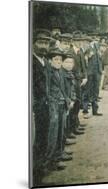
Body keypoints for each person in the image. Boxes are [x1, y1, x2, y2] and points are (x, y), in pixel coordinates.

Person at [45, 48, 72, 172]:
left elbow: (63, 88)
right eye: (55, 59)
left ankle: (59, 154)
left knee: (61, 130)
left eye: (60, 60)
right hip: (53, 105)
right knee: (53, 134)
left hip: (62, 104)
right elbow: (47, 91)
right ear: (50, 60)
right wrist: (53, 101)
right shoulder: (48, 72)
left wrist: (67, 100)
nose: (58, 62)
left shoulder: (60, 72)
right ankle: (51, 161)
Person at [32, 29, 52, 184]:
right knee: (35, 140)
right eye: (40, 43)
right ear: (33, 44)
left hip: (45, 105)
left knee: (43, 137)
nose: (44, 46)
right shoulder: (31, 62)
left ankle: (41, 168)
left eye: (46, 43)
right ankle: (35, 176)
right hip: (35, 107)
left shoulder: (45, 62)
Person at [68, 31, 87, 134]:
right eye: (77, 41)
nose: (80, 42)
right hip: (73, 80)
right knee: (74, 103)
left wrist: (85, 77)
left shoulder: (80, 51)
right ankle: (72, 128)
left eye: (81, 40)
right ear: (73, 41)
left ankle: (76, 123)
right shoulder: (70, 52)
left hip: (80, 80)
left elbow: (84, 65)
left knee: (78, 102)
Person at [84, 41, 103, 117]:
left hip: (97, 73)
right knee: (87, 91)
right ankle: (85, 110)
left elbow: (100, 60)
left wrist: (100, 71)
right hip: (90, 73)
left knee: (96, 92)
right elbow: (85, 59)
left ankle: (95, 110)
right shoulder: (88, 48)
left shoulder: (98, 48)